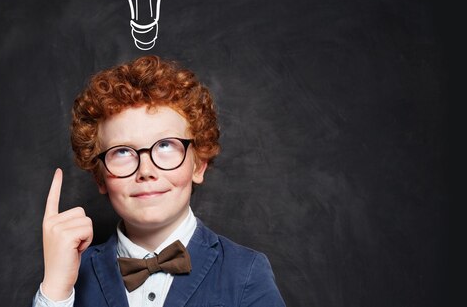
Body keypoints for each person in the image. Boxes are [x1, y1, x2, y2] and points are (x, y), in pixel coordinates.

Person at [32, 55, 286, 307]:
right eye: (122, 151)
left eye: (165, 145)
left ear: (198, 165)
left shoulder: (246, 272)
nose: (146, 170)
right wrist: (55, 291)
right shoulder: (70, 277)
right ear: (100, 177)